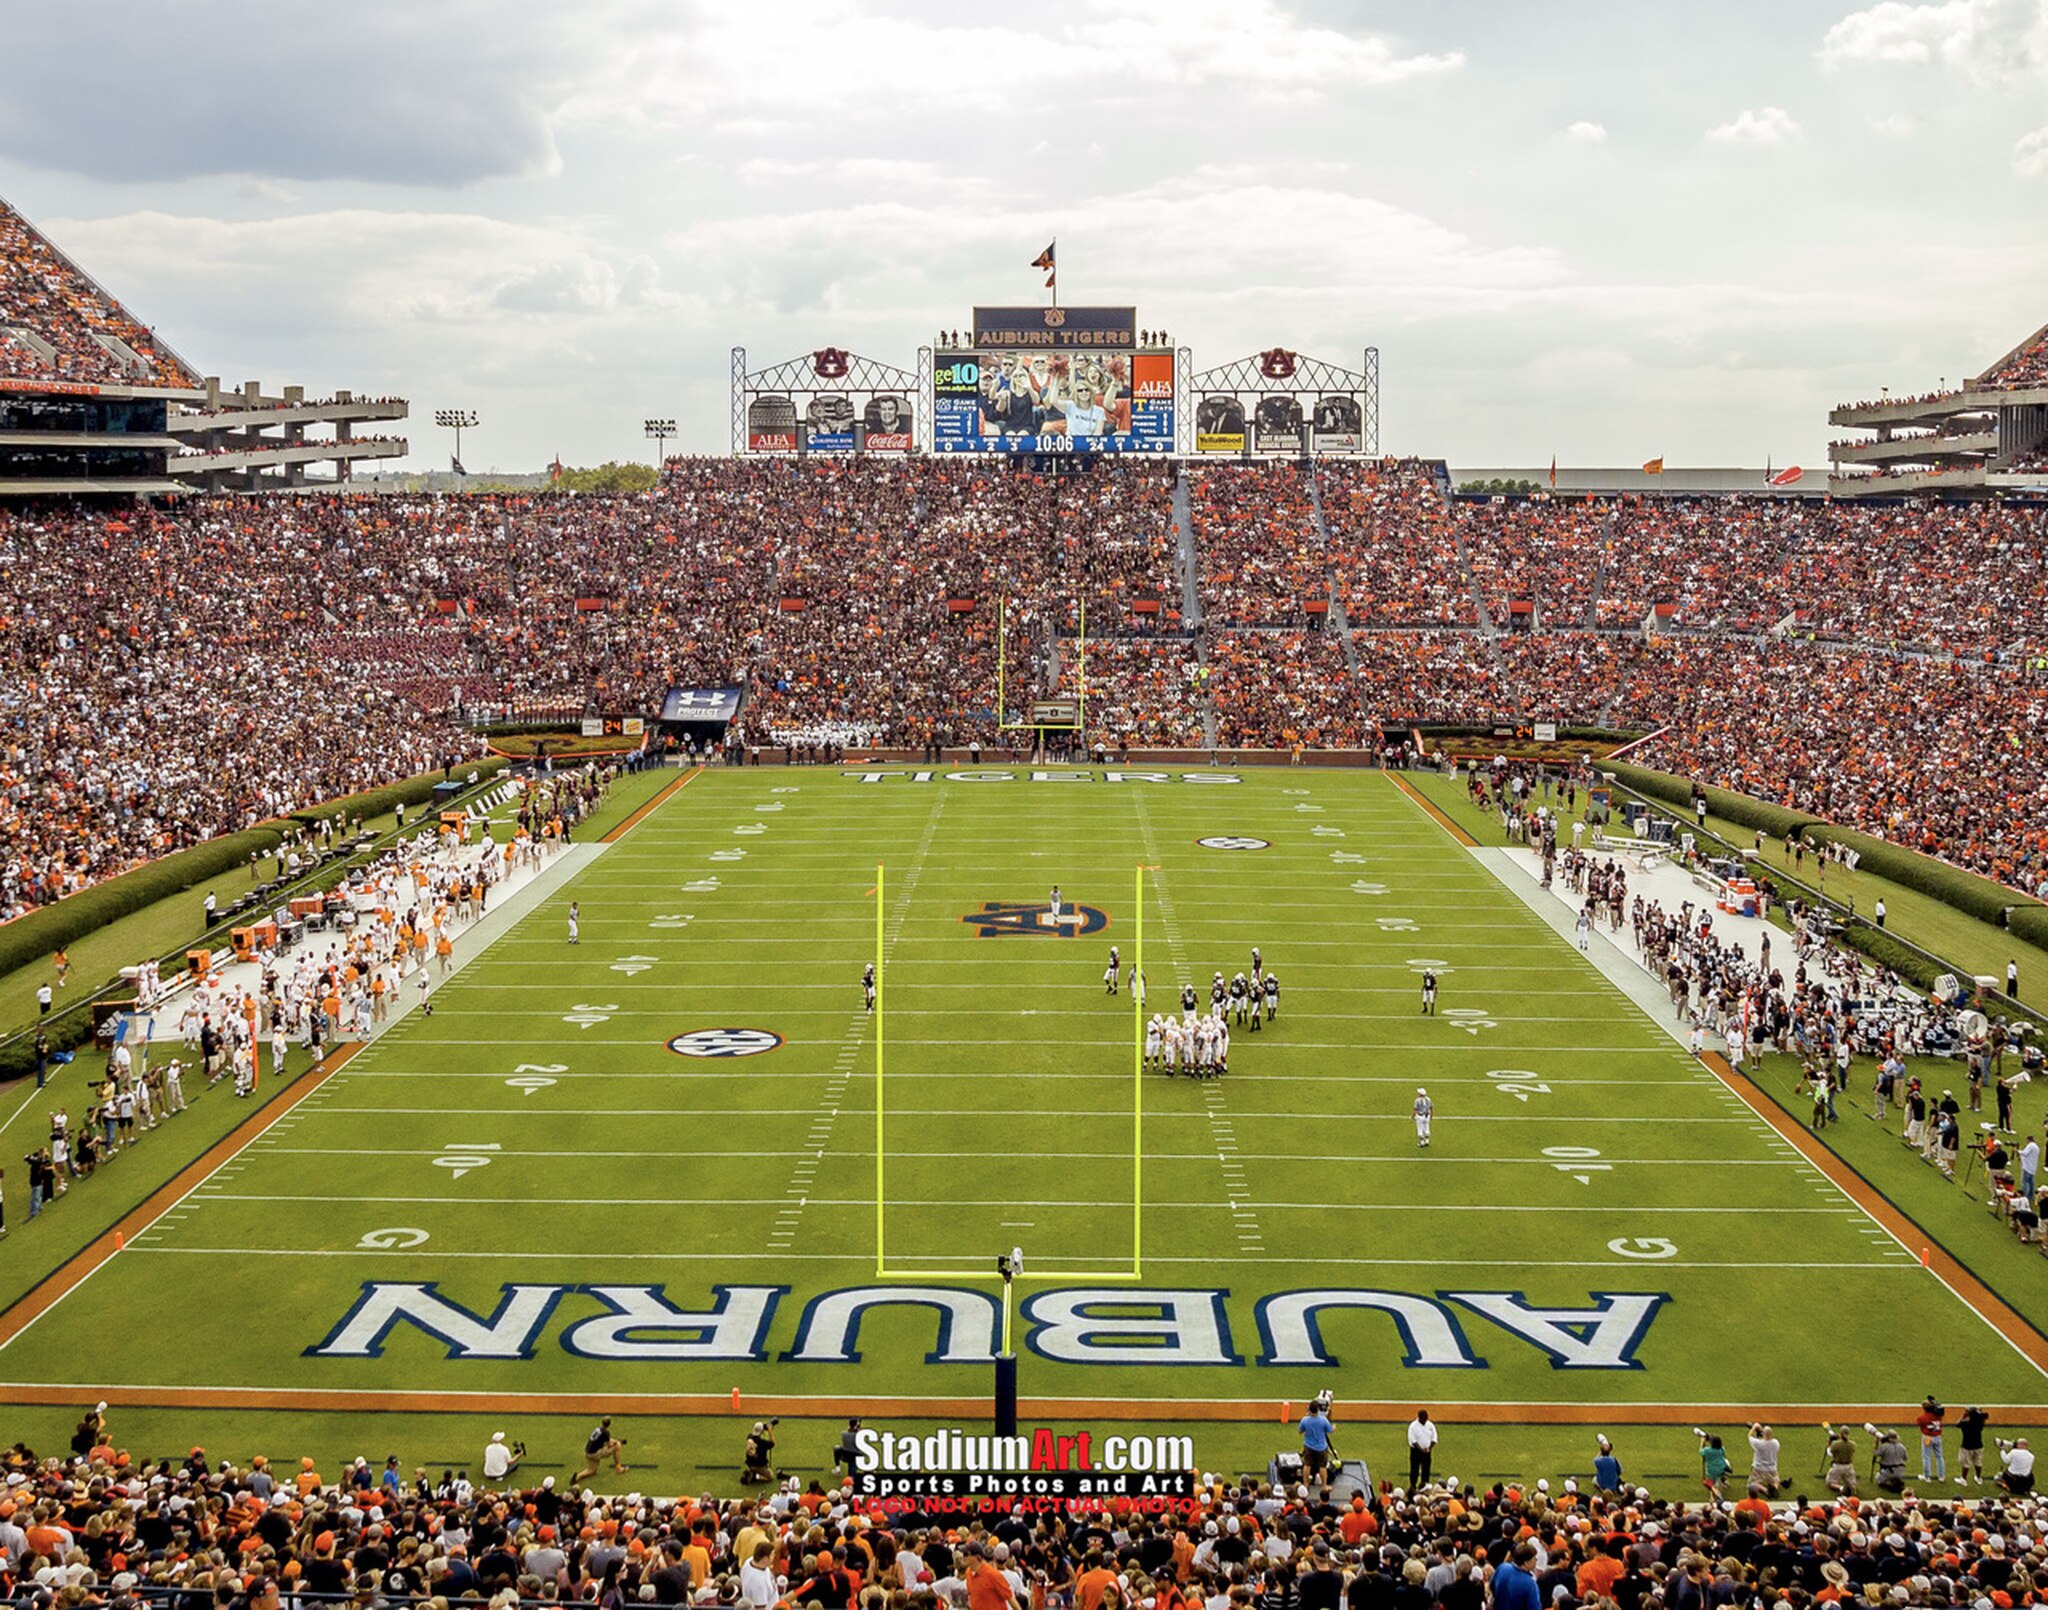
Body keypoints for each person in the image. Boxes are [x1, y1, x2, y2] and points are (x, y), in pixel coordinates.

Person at [575, 1416, 627, 1482]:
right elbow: (609, 1445)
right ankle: (618, 1468)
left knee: (591, 1471)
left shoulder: (598, 1429)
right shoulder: (606, 1432)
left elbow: (604, 1440)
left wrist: (615, 1441)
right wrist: (617, 1443)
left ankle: (577, 1476)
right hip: (594, 1454)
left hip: (588, 1452)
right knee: (617, 1446)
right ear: (609, 1424)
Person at [1297, 1397, 1334, 1486]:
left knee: (1307, 1465)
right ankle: (1324, 1485)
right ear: (1318, 1410)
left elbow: (1300, 1431)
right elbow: (1330, 1430)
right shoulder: (1323, 1420)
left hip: (1308, 1446)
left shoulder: (1305, 1420)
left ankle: (1306, 1484)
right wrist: (1333, 1427)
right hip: (1321, 1447)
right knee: (1322, 1467)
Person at [1957, 1406, 1990, 1485]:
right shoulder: (1980, 1423)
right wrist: (1979, 1413)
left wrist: (1963, 1416)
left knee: (1966, 1463)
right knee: (1978, 1462)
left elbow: (1957, 1424)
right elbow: (1982, 1418)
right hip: (1978, 1445)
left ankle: (1963, 1479)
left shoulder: (1965, 1423)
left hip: (1967, 1446)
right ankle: (1978, 1478)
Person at [1407, 1409, 1438, 1489]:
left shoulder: (1430, 1425)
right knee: (1414, 1470)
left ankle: (1424, 1486)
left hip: (1427, 1452)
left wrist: (1429, 1448)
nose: (1425, 1420)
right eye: (1424, 1418)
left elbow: (1434, 1438)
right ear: (1420, 1418)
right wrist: (1421, 1449)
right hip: (1416, 1452)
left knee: (1426, 1471)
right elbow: (1413, 1441)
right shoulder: (1413, 1426)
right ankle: (1413, 1486)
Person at [1746, 1423, 1780, 1495]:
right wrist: (1761, 1431)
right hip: (1772, 1468)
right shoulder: (1776, 1443)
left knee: (1751, 1484)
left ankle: (1766, 1491)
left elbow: (1749, 1436)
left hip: (1759, 1469)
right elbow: (1766, 1440)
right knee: (1776, 1480)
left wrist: (1754, 1427)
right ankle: (1775, 1487)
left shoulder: (1758, 1444)